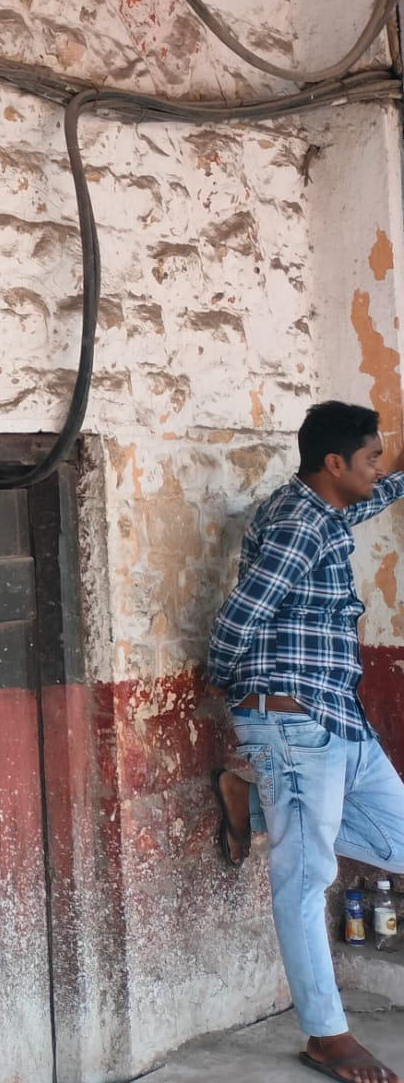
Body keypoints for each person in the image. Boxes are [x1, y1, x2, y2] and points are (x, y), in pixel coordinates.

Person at [209, 400, 404, 1083]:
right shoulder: (297, 523)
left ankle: (250, 796)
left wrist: (401, 477)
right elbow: (242, 614)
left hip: (340, 721)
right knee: (305, 878)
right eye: (372, 459)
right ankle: (326, 1036)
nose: (378, 470)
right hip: (293, 722)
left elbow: (366, 503)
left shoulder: (321, 511)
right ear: (334, 464)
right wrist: (237, 684)